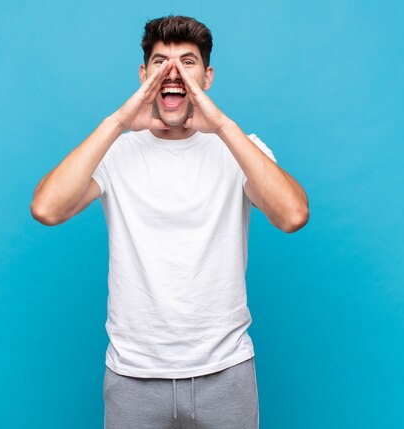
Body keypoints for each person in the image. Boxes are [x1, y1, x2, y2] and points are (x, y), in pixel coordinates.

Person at [30, 15, 309, 429]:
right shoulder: (117, 151)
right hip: (132, 378)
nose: (173, 72)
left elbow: (292, 215)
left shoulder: (239, 149)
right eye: (160, 62)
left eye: (188, 62)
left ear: (208, 77)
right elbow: (47, 209)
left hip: (226, 373)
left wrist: (221, 126)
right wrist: (120, 122)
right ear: (143, 75)